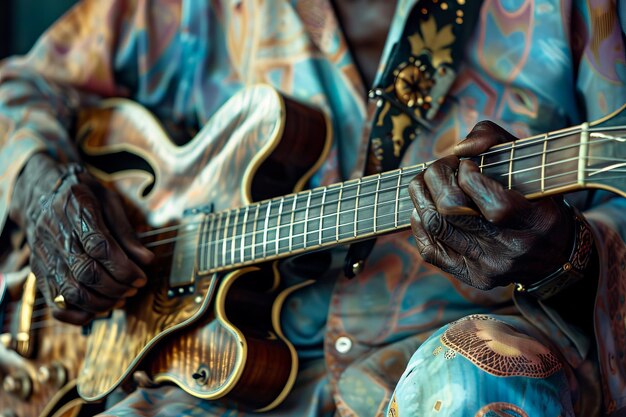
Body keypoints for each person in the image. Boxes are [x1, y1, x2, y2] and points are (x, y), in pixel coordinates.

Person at [0, 0, 625, 416]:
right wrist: (40, 186)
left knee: (477, 377)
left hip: (440, 369)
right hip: (218, 381)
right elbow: (18, 87)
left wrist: (567, 261)